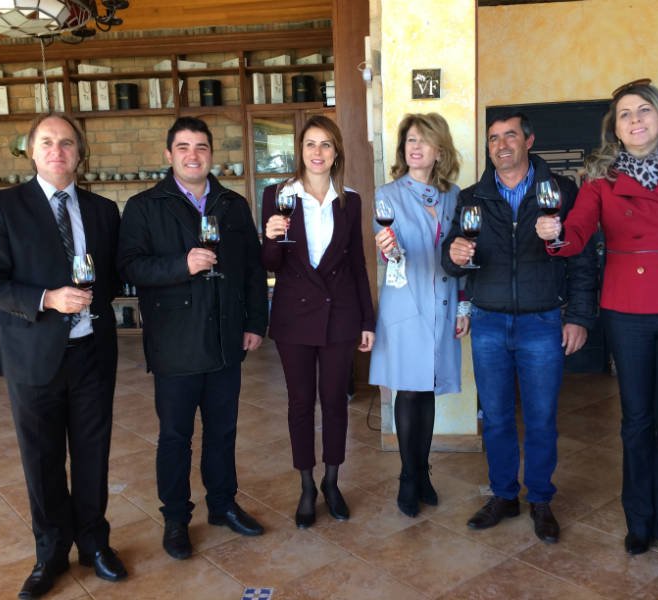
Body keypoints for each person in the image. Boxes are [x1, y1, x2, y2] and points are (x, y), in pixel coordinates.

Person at [536, 80, 658, 566]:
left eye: (643, 110)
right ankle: (640, 522)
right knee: (636, 420)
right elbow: (578, 232)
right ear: (616, 127)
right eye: (624, 114)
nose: (635, 120)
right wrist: (555, 233)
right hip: (627, 309)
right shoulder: (600, 175)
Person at [0, 113, 126, 599]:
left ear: (80, 153)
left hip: (92, 353)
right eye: (47, 142)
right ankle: (51, 553)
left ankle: (94, 543)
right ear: (31, 151)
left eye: (67, 143)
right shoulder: (1, 206)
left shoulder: (102, 210)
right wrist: (46, 299)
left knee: (93, 455)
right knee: (42, 459)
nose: (58, 151)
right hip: (32, 355)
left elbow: (112, 277)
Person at [442, 111, 597, 544]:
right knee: (495, 418)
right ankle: (505, 495)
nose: (501, 145)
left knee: (542, 418)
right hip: (488, 321)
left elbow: (583, 257)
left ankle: (541, 499)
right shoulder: (472, 197)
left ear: (529, 140)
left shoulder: (561, 192)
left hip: (542, 321)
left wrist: (579, 317)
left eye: (510, 135)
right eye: (493, 138)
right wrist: (452, 255)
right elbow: (451, 258)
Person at [117, 117, 268, 559]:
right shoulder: (144, 206)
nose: (192, 155)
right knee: (175, 436)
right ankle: (176, 518)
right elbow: (129, 267)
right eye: (183, 147)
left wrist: (255, 323)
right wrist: (181, 266)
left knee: (223, 431)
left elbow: (253, 270)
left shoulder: (233, 204)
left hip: (225, 338)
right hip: (175, 342)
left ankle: (223, 505)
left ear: (211, 154)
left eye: (201, 147)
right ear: (169, 155)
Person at [261, 115, 375, 528]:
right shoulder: (278, 195)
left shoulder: (350, 200)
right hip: (294, 315)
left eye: (326, 144)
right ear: (300, 150)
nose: (318, 151)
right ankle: (307, 485)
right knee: (300, 403)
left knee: (335, 402)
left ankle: (331, 481)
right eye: (311, 143)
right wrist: (270, 237)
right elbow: (270, 264)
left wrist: (367, 320)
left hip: (340, 315)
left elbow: (358, 263)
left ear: (336, 151)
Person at [369, 113, 467, 517]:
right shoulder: (388, 194)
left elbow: (464, 253)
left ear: (439, 151)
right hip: (406, 304)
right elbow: (388, 252)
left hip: (443, 303)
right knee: (408, 390)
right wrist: (389, 250)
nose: (415, 147)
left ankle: (423, 472)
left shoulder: (454, 196)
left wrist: (464, 305)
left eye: (424, 140)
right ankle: (408, 477)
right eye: (410, 140)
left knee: (427, 390)